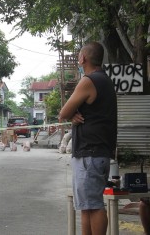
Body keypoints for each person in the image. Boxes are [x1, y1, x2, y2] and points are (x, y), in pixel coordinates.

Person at [59, 42, 117, 235]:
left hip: (89, 154)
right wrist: (73, 114)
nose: (77, 59)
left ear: (83, 58)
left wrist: (71, 113)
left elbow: (63, 112)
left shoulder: (89, 81)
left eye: (78, 56)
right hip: (96, 152)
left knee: (94, 205)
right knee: (86, 206)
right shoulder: (105, 80)